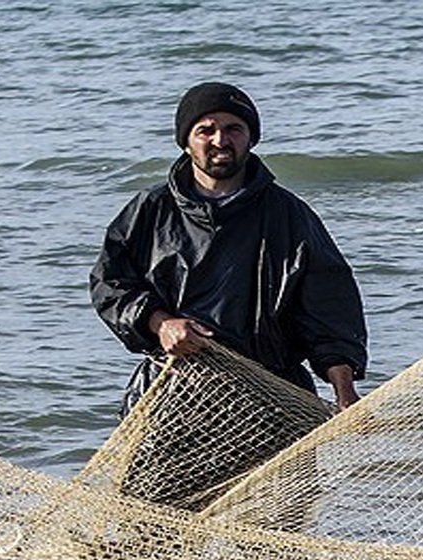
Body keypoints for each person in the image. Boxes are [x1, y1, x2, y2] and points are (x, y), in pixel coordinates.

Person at [90, 82, 368, 509]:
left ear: (251, 138)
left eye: (234, 129)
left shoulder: (288, 215)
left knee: (281, 531)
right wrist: (161, 323)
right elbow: (111, 284)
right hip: (171, 396)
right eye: (206, 129)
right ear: (186, 142)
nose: (220, 140)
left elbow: (329, 306)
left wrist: (344, 391)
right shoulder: (150, 211)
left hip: (273, 398)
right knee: (147, 527)